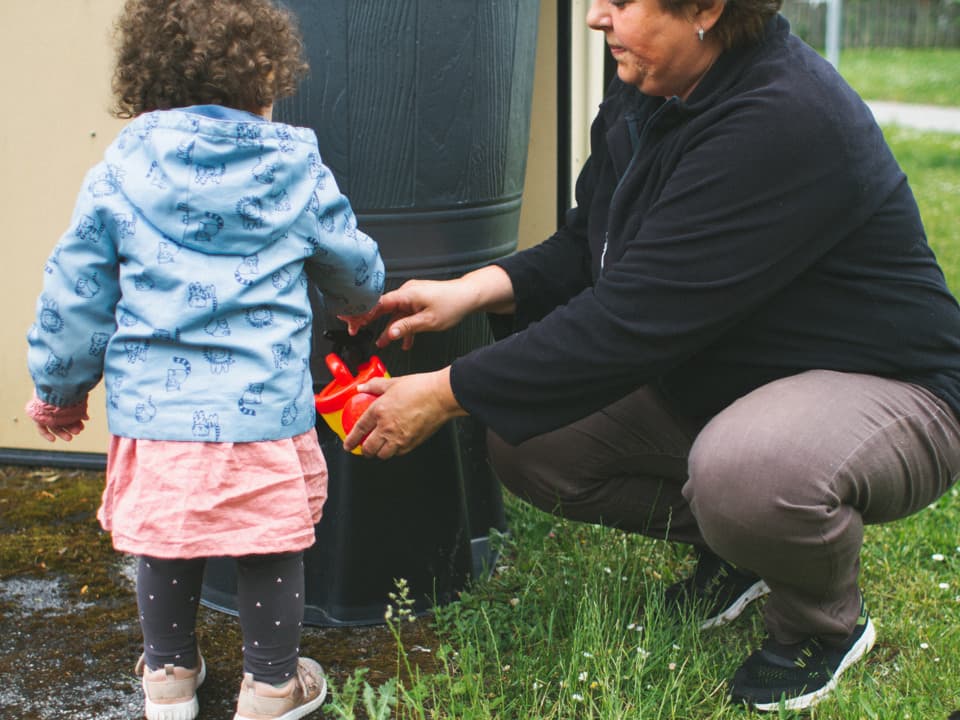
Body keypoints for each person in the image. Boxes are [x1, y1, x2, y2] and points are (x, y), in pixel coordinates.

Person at [339, 0, 960, 712]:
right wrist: (474, 290)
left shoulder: (783, 119)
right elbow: (590, 243)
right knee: (527, 440)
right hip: (735, 373)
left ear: (705, 9)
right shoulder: (650, 87)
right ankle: (746, 551)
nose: (596, 18)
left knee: (748, 472)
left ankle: (822, 623)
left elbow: (628, 323)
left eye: (622, 2)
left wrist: (444, 390)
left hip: (891, 390)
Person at [25, 1, 384, 718]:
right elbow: (353, 268)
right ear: (266, 80)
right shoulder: (294, 164)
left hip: (158, 413)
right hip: (263, 411)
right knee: (270, 543)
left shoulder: (120, 170)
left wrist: (61, 391)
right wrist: (357, 304)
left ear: (146, 81)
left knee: (166, 538)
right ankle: (273, 687)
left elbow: (77, 293)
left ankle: (168, 680)